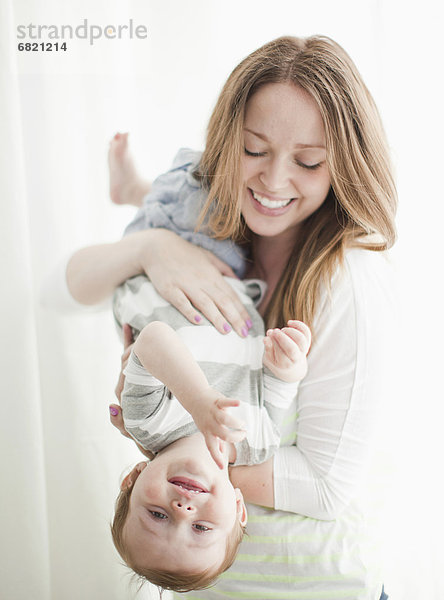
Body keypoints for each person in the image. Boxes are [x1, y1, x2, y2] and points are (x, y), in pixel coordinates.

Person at [66, 35, 396, 600]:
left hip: (319, 588)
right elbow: (75, 281)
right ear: (225, 140)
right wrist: (150, 248)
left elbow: (322, 487)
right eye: (253, 149)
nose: (272, 181)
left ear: (343, 166)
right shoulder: (205, 232)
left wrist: (173, 455)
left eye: (309, 161)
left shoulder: (346, 281)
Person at [104, 268, 310, 591]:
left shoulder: (147, 421)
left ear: (132, 479)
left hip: (161, 267)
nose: (182, 510)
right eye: (201, 528)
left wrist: (199, 401)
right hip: (232, 274)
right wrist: (291, 362)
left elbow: (153, 338)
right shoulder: (259, 442)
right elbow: (281, 382)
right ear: (239, 509)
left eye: (157, 516)